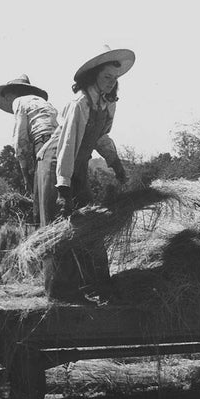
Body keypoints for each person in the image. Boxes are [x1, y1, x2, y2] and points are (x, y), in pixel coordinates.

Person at [37, 46, 135, 303]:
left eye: (115, 79)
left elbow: (101, 137)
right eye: (106, 78)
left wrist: (116, 164)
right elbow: (67, 145)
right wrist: (63, 189)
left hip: (78, 166)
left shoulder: (106, 104)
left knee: (91, 225)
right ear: (93, 76)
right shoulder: (79, 103)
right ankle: (60, 292)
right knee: (60, 228)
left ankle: (97, 285)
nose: (111, 83)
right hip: (56, 165)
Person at [0, 75, 58, 222]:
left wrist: (26, 176)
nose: (7, 100)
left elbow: (21, 140)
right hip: (61, 141)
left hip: (44, 143)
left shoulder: (18, 102)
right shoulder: (44, 103)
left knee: (42, 205)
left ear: (14, 93)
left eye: (7, 96)